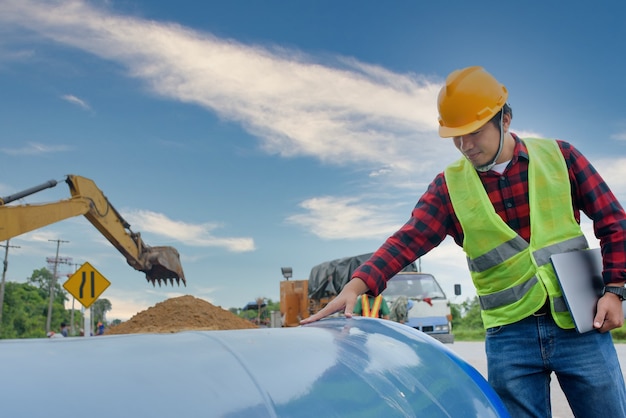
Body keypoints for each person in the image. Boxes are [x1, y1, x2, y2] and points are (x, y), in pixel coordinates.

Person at [301, 66, 626, 417]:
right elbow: (408, 240)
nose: (465, 145)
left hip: (581, 326)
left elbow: (614, 222)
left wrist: (615, 290)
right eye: (456, 136)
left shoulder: (560, 157)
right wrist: (356, 285)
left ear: (505, 120)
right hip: (509, 336)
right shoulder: (448, 188)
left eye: (473, 132)